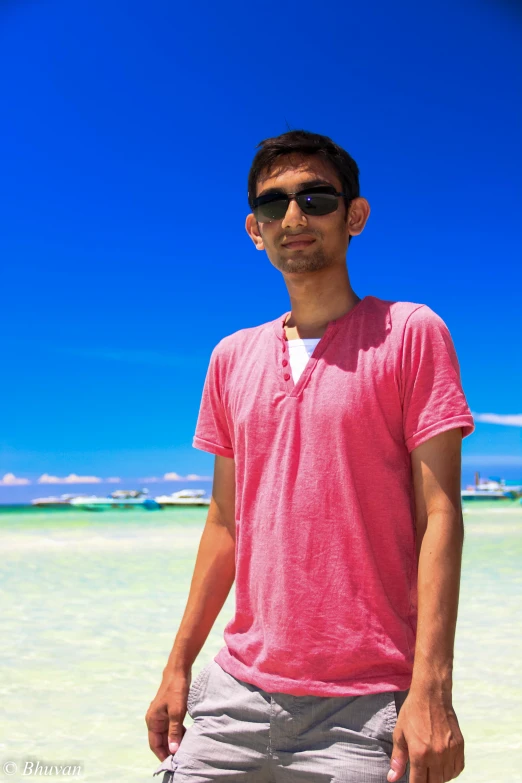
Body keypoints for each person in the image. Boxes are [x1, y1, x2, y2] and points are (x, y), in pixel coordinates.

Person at [145, 130, 475, 783]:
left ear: (354, 215)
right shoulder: (230, 357)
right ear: (254, 229)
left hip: (366, 704)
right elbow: (223, 523)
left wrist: (431, 686)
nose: (294, 216)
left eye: (315, 197)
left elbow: (441, 514)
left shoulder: (411, 333)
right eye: (274, 205)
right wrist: (178, 664)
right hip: (232, 694)